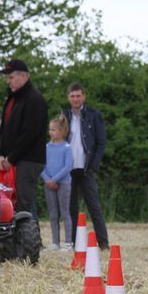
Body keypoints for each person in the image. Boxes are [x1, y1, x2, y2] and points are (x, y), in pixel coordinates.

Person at [0, 59, 48, 214]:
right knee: (11, 202)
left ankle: (30, 238)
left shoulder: (35, 99)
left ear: (24, 76)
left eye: (11, 77)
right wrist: (0, 154)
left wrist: (10, 157)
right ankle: (18, 237)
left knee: (24, 205)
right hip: (12, 159)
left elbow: (30, 133)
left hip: (28, 160)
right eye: (7, 78)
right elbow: (5, 130)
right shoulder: (13, 98)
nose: (8, 81)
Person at [64, 83, 110, 251]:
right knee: (71, 209)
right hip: (68, 170)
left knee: (94, 206)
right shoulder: (64, 116)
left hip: (86, 168)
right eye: (72, 96)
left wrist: (93, 166)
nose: (75, 99)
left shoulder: (94, 115)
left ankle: (103, 243)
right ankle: (76, 244)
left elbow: (101, 143)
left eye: (78, 96)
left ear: (83, 96)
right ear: (68, 97)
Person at [41, 115, 73, 251]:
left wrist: (54, 180)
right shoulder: (46, 147)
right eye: (50, 130)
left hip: (63, 184)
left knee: (65, 213)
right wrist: (47, 179)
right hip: (48, 184)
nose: (50, 132)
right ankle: (55, 242)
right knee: (53, 214)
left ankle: (68, 243)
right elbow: (41, 165)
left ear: (61, 131)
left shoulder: (67, 147)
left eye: (53, 130)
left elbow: (68, 166)